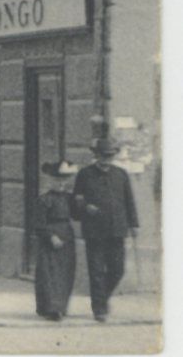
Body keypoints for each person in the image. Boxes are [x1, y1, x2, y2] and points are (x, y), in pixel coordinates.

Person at [73, 136, 139, 322]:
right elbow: (76, 199)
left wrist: (134, 224)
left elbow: (129, 201)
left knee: (118, 270)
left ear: (114, 156)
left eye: (110, 155)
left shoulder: (121, 174)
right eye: (103, 155)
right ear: (96, 155)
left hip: (117, 229)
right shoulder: (85, 174)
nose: (106, 159)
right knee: (96, 271)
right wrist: (85, 207)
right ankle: (99, 309)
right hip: (94, 230)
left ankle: (102, 298)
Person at [35, 159, 78, 321]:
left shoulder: (69, 198)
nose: (61, 184)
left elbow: (76, 215)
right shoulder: (44, 200)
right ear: (50, 181)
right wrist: (51, 236)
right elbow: (38, 224)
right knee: (49, 274)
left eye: (64, 180)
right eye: (57, 180)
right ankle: (51, 308)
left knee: (65, 272)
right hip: (50, 238)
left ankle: (61, 306)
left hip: (67, 236)